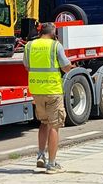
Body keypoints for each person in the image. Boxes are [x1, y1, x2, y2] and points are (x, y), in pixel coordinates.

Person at [23, 22, 73, 174]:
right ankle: (52, 164)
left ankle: (40, 156)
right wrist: (70, 67)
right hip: (52, 90)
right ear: (53, 33)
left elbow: (27, 66)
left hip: (36, 90)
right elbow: (65, 66)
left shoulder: (29, 46)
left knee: (43, 123)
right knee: (54, 126)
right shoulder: (55, 45)